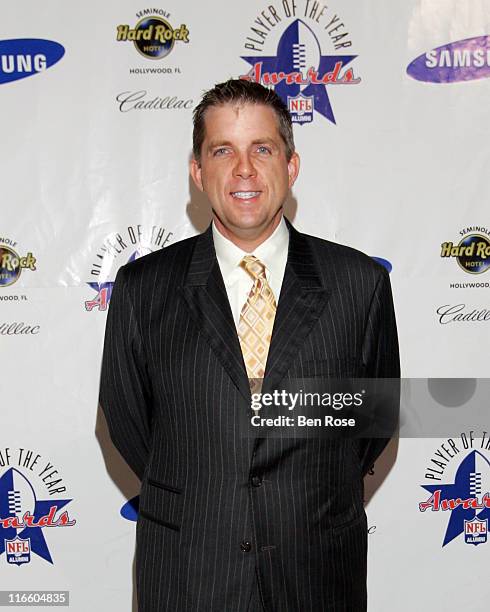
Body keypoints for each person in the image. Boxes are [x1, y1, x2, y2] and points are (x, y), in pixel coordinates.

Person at [99, 79, 400, 611]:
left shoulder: (358, 284)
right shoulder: (143, 289)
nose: (244, 169)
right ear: (197, 171)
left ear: (291, 166)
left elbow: (372, 426)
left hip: (317, 576)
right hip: (191, 574)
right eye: (223, 150)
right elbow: (130, 423)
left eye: (262, 148)